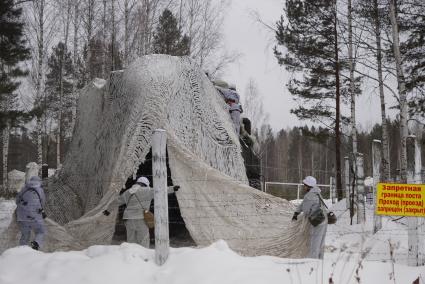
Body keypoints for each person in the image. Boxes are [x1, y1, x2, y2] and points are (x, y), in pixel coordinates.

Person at [103, 176, 179, 248]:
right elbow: (160, 190)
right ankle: (143, 259)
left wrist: (108, 210)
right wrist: (173, 188)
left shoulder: (128, 192)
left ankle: (131, 258)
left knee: (131, 242)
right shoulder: (147, 191)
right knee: (143, 241)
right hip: (141, 219)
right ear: (145, 184)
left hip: (128, 219)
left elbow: (117, 201)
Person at [292, 176, 327, 259]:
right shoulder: (316, 192)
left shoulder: (309, 196)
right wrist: (297, 211)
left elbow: (306, 210)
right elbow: (304, 204)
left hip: (317, 221)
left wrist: (298, 215)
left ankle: (313, 261)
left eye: (305, 185)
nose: (304, 187)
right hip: (324, 218)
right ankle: (320, 259)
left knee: (315, 242)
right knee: (321, 241)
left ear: (308, 185)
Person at [15, 176, 46, 250]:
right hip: (35, 216)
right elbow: (42, 203)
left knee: (25, 235)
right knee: (41, 231)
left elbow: (17, 201)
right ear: (39, 181)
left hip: (22, 216)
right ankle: (36, 243)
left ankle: (22, 250)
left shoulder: (24, 189)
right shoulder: (40, 190)